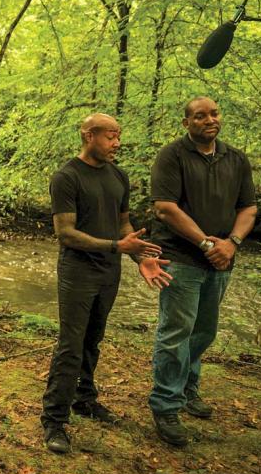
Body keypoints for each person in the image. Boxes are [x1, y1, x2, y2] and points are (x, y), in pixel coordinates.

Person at [42, 113, 173, 454]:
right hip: (78, 271)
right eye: (110, 137)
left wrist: (140, 256)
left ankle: (84, 399)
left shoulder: (119, 176)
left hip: (108, 271)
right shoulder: (67, 177)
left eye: (118, 136)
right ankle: (54, 420)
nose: (117, 143)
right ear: (88, 136)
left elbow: (123, 224)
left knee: (93, 339)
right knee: (70, 344)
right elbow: (65, 233)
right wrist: (117, 247)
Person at [148, 96, 257, 446]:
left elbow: (249, 207)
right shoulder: (172, 156)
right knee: (176, 331)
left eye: (213, 113)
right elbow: (165, 209)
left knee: (204, 331)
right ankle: (166, 404)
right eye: (199, 116)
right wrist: (207, 245)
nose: (209, 120)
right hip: (181, 258)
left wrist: (232, 243)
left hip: (222, 260)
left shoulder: (236, 158)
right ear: (187, 123)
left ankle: (187, 387)